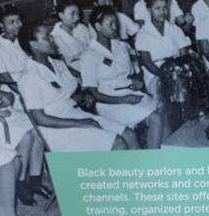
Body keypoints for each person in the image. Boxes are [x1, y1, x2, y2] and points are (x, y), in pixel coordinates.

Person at [18, 22, 133, 152]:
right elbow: (39, 118)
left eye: (50, 36)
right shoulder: (29, 77)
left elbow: (66, 95)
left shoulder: (57, 64)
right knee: (118, 143)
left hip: (74, 114)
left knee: (128, 134)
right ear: (34, 45)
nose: (52, 40)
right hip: (56, 130)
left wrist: (85, 95)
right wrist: (79, 123)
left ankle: (140, 171)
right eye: (46, 38)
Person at [80, 7, 164, 149]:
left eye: (116, 24)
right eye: (110, 24)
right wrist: (123, 100)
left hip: (130, 94)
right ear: (98, 27)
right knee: (150, 120)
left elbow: (135, 72)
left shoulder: (121, 46)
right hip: (110, 103)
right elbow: (94, 94)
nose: (115, 28)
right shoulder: (89, 56)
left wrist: (137, 79)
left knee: (160, 113)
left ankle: (153, 159)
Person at [0, 54, 48, 204]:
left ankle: (35, 180)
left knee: (39, 130)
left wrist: (5, 95)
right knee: (25, 137)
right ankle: (20, 182)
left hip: (0, 108)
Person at [135, 0, 192, 99]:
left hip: (177, 69)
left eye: (165, 8)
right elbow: (148, 63)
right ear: (149, 10)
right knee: (169, 92)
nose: (162, 12)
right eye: (157, 8)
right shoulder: (142, 34)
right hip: (156, 75)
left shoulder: (175, 29)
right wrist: (166, 76)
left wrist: (178, 73)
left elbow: (183, 55)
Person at [0, 6, 30, 85]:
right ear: (1, 25)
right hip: (16, 87)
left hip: (35, 81)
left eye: (19, 20)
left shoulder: (25, 38)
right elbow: (7, 79)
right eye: (11, 22)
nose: (17, 25)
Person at [51, 1, 94, 68]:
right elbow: (69, 62)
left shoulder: (81, 27)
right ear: (61, 15)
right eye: (72, 14)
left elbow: (93, 46)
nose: (77, 17)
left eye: (78, 13)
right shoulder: (55, 37)